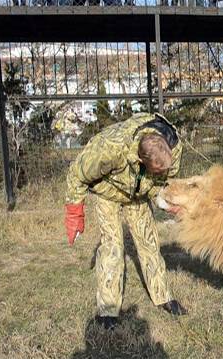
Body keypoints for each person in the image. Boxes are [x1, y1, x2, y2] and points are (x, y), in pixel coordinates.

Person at [64, 112, 187, 330]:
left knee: (149, 243)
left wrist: (169, 202)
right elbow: (78, 173)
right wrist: (75, 211)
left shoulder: (173, 148)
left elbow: (166, 179)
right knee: (112, 247)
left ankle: (163, 296)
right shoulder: (111, 148)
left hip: (137, 196)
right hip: (108, 192)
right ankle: (108, 311)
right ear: (140, 160)